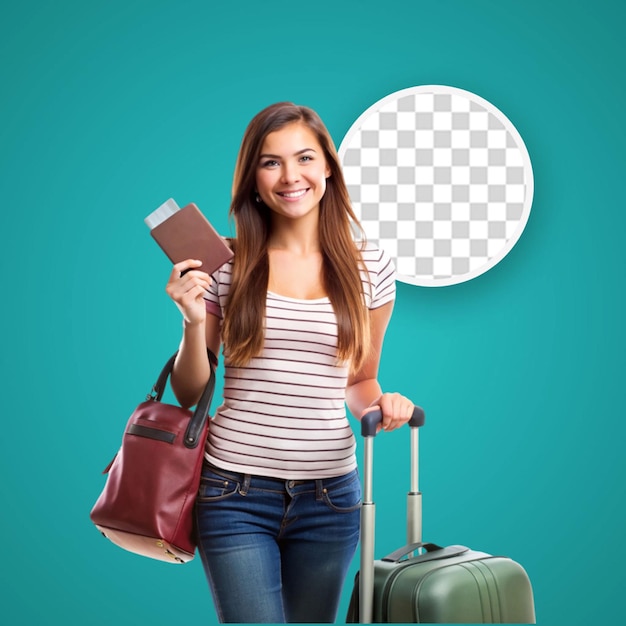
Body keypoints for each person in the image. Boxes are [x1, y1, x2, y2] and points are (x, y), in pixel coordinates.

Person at [165, 102, 415, 623]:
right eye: (270, 162)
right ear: (253, 180)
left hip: (332, 497)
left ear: (328, 165)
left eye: (304, 157)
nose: (290, 175)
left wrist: (384, 404)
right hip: (234, 491)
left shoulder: (372, 267)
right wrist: (192, 320)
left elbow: (360, 379)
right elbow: (191, 393)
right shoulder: (228, 265)